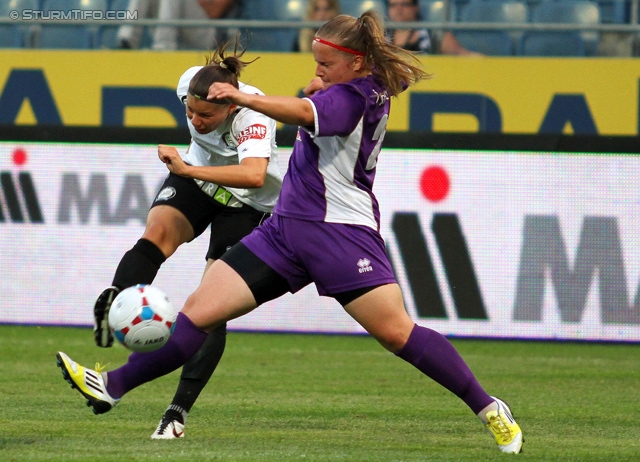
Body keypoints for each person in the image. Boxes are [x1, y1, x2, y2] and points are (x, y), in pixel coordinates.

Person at [57, 10, 523, 454]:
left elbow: (302, 112)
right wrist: (316, 83)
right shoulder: (358, 84)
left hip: (338, 234)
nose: (317, 70)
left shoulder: (352, 98)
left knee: (397, 334)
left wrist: (243, 97)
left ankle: (488, 407)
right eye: (315, 61)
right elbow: (320, 97)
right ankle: (112, 386)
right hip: (282, 231)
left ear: (355, 62)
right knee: (199, 313)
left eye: (326, 63)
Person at [91, 38, 283, 439]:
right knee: (157, 234)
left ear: (231, 107)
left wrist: (186, 169)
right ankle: (116, 304)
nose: (195, 120)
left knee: (213, 305)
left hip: (248, 203)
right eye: (190, 112)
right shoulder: (189, 82)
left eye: (206, 115)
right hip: (196, 173)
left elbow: (253, 176)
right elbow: (196, 132)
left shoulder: (253, 116)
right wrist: (189, 167)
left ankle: (175, 414)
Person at [385, 0, 480, 55]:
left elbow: (463, 54)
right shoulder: (381, 36)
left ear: (416, 7)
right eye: (393, 5)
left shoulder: (433, 34)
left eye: (405, 5)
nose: (398, 10)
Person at [151, 0, 242, 50]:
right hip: (185, 28)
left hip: (215, 36)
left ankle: (163, 48)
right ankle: (135, 45)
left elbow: (214, 11)